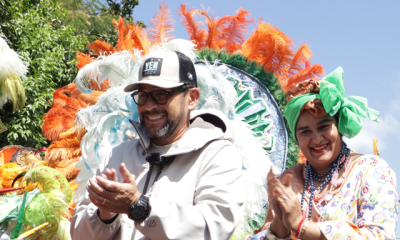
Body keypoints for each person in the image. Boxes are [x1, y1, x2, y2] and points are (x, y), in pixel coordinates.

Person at [70, 50, 245, 240]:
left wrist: (140, 207)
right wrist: (105, 216)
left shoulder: (218, 155)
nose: (149, 106)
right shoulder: (118, 155)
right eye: (143, 96)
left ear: (192, 98)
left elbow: (212, 229)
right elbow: (80, 235)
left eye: (161, 95)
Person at [251, 67, 398, 240]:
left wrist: (301, 226)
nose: (317, 138)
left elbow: (379, 235)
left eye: (324, 127)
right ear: (296, 138)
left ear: (339, 127)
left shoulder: (372, 170)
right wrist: (280, 227)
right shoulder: (288, 181)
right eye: (305, 132)